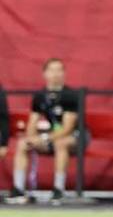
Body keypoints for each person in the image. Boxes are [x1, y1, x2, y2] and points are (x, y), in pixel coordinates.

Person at [7, 58, 80, 205]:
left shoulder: (71, 95)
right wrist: (31, 139)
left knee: (61, 143)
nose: (56, 74)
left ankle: (58, 189)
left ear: (64, 74)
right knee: (22, 144)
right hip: (51, 136)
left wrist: (45, 138)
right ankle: (18, 188)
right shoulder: (39, 96)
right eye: (52, 70)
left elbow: (67, 128)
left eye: (59, 70)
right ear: (44, 74)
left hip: (75, 137)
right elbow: (32, 122)